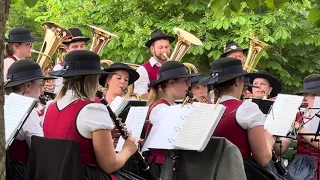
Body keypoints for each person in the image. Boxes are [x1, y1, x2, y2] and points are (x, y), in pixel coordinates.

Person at [43, 50, 144, 180]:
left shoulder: (50, 106)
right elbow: (110, 165)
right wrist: (129, 149)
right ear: (90, 79)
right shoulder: (93, 109)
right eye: (97, 78)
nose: (98, 84)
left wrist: (105, 136)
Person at [203, 58, 276, 179]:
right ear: (237, 81)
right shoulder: (247, 108)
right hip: (237, 173)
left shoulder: (204, 109)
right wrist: (269, 141)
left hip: (207, 173)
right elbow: (263, 159)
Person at [143, 61, 197, 178]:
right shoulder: (161, 109)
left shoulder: (168, 107)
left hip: (166, 164)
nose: (189, 85)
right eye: (185, 81)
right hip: (161, 166)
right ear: (172, 83)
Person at [4, 60, 54, 180]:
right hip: (19, 172)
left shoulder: (5, 103)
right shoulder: (27, 112)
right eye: (40, 85)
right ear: (28, 86)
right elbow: (41, 151)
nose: (42, 90)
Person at [274, 74, 320, 180]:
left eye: (317, 94)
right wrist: (273, 136)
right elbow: (280, 150)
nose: (314, 98)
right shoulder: (299, 116)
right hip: (300, 165)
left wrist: (300, 129)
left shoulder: (298, 123)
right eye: (310, 95)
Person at [134, 29, 175, 99]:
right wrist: (166, 96)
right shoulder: (143, 70)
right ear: (152, 49)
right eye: (160, 47)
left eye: (166, 47)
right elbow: (141, 95)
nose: (164, 50)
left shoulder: (174, 67)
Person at [53, 27, 90, 94]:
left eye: (82, 46)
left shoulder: (92, 66)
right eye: (75, 47)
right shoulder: (60, 68)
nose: (80, 49)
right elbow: (58, 93)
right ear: (67, 48)